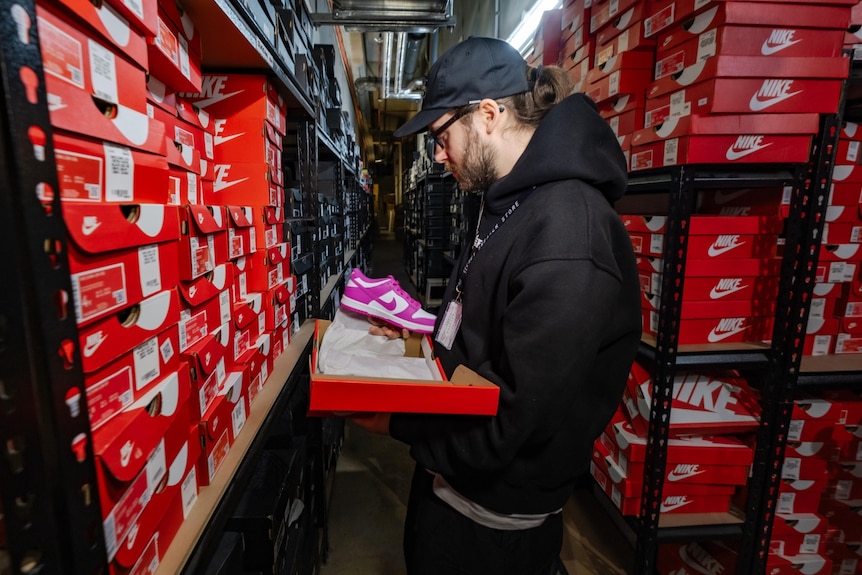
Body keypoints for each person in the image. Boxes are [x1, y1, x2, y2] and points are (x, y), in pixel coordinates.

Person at [351, 36, 641, 575]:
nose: (438, 154)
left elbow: (514, 421)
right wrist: (418, 339)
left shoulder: (568, 234)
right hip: (454, 489)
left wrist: (397, 422)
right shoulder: (504, 198)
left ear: (488, 114)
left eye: (441, 135)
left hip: (494, 530)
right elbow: (478, 327)